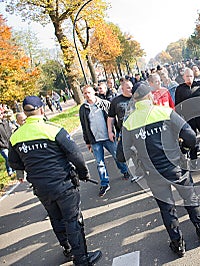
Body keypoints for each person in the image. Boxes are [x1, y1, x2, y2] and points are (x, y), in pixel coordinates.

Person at [8, 96, 102, 265]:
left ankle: (67, 249)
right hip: (63, 183)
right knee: (72, 219)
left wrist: (22, 173)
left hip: (41, 187)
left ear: (25, 113)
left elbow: (15, 163)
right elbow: (76, 155)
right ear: (42, 109)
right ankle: (81, 259)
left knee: (55, 217)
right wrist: (83, 173)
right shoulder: (54, 130)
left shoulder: (16, 136)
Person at [120, 84, 200, 257]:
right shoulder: (164, 112)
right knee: (190, 199)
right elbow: (190, 136)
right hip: (176, 167)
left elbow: (121, 155)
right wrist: (184, 148)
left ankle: (178, 244)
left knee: (167, 209)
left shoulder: (129, 122)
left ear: (135, 100)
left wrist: (136, 154)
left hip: (152, 173)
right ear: (150, 97)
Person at [79, 85, 129, 197]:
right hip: (95, 139)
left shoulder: (105, 104)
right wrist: (87, 141)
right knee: (99, 162)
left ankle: (124, 170)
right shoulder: (83, 109)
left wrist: (116, 133)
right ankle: (105, 183)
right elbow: (84, 126)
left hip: (108, 137)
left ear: (94, 92)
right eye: (85, 93)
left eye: (89, 92)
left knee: (117, 156)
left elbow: (113, 119)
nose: (87, 95)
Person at [174, 68, 200, 168]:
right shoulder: (180, 89)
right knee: (191, 139)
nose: (189, 78)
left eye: (191, 76)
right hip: (188, 118)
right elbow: (178, 105)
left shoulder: (199, 86)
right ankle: (193, 160)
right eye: (187, 76)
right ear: (183, 77)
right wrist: (179, 120)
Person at [0, 109, 14, 176]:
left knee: (12, 156)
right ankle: (10, 171)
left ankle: (14, 169)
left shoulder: (6, 121)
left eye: (1, 114)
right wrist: (2, 144)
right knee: (7, 157)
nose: (1, 115)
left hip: (9, 142)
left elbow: (10, 130)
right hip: (2, 146)